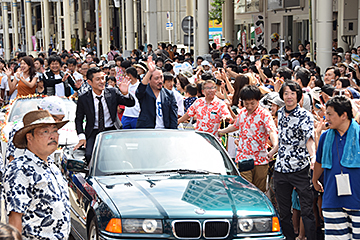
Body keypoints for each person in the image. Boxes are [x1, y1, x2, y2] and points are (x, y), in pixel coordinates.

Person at [3, 110, 70, 239]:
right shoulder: (20, 169)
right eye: (45, 131)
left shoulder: (53, 167)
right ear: (29, 137)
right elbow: (15, 221)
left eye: (55, 130)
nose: (53, 136)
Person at [270, 81, 316, 240]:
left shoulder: (305, 115)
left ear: (298, 96)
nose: (289, 97)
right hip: (280, 169)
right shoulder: (280, 113)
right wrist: (272, 152)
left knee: (307, 210)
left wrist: (313, 157)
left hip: (300, 168)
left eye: (292, 93)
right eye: (286, 93)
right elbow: (283, 139)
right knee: (283, 212)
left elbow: (309, 139)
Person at [313, 96, 360, 239]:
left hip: (357, 200)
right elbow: (319, 161)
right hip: (332, 198)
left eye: (329, 114)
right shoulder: (325, 136)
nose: (326, 117)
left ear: (344, 115)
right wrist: (315, 180)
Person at [218, 85, 278, 192]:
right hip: (243, 157)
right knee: (245, 189)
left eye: (252, 103)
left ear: (258, 101)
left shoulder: (264, 114)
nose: (249, 106)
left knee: (259, 191)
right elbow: (235, 126)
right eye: (246, 103)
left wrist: (274, 147)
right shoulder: (241, 113)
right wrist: (222, 131)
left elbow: (271, 130)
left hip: (261, 159)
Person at [74, 67, 135, 163]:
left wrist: (126, 93)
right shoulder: (83, 98)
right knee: (89, 155)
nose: (102, 82)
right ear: (89, 82)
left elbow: (131, 103)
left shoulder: (112, 92)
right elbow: (78, 119)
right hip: (93, 131)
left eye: (103, 78)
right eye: (98, 79)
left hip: (112, 129)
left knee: (121, 154)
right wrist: (82, 137)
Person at [135, 56, 178, 129]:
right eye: (156, 78)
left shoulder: (169, 94)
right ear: (149, 80)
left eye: (161, 77)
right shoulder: (145, 92)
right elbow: (139, 92)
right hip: (147, 130)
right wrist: (150, 72)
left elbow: (173, 116)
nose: (160, 81)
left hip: (164, 131)